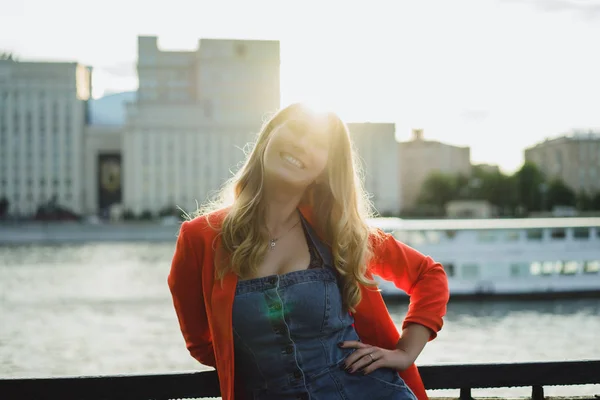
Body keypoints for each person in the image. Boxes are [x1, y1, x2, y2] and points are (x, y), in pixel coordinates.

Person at [168, 103, 450, 400]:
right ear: (268, 138)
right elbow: (203, 344)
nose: (301, 145)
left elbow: (428, 275)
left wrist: (405, 351)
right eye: (296, 130)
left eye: (318, 144)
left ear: (324, 169)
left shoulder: (338, 230)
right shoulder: (200, 238)